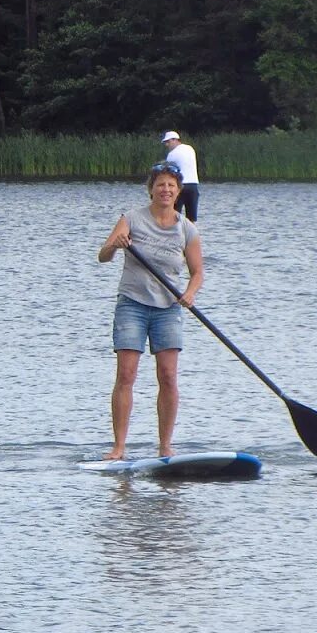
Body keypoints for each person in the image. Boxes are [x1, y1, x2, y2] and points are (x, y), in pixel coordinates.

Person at [97, 161, 203, 460]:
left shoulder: (187, 228)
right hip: (132, 304)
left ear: (179, 191)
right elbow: (102, 256)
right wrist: (116, 245)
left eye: (171, 185)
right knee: (126, 375)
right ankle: (119, 447)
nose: (166, 190)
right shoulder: (131, 219)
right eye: (160, 185)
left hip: (168, 308)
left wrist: (190, 293)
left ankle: (165, 446)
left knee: (168, 376)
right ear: (151, 190)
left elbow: (197, 273)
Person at [160, 130, 201, 220]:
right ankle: (191, 233)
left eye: (168, 142)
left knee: (174, 216)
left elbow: (168, 172)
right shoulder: (190, 149)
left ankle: (173, 232)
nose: (167, 145)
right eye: (165, 143)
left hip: (180, 186)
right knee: (191, 218)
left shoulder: (172, 154)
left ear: (175, 140)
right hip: (193, 186)